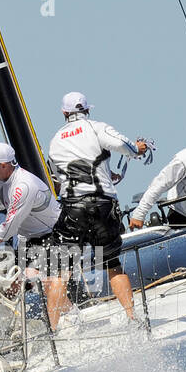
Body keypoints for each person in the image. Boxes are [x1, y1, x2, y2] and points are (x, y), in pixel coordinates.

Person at [44, 91, 148, 327]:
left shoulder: (55, 140)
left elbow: (58, 178)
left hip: (73, 208)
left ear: (64, 113)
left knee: (61, 272)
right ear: (87, 110)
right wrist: (138, 148)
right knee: (112, 265)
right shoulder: (95, 126)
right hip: (103, 205)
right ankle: (133, 319)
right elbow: (124, 145)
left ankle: (53, 333)